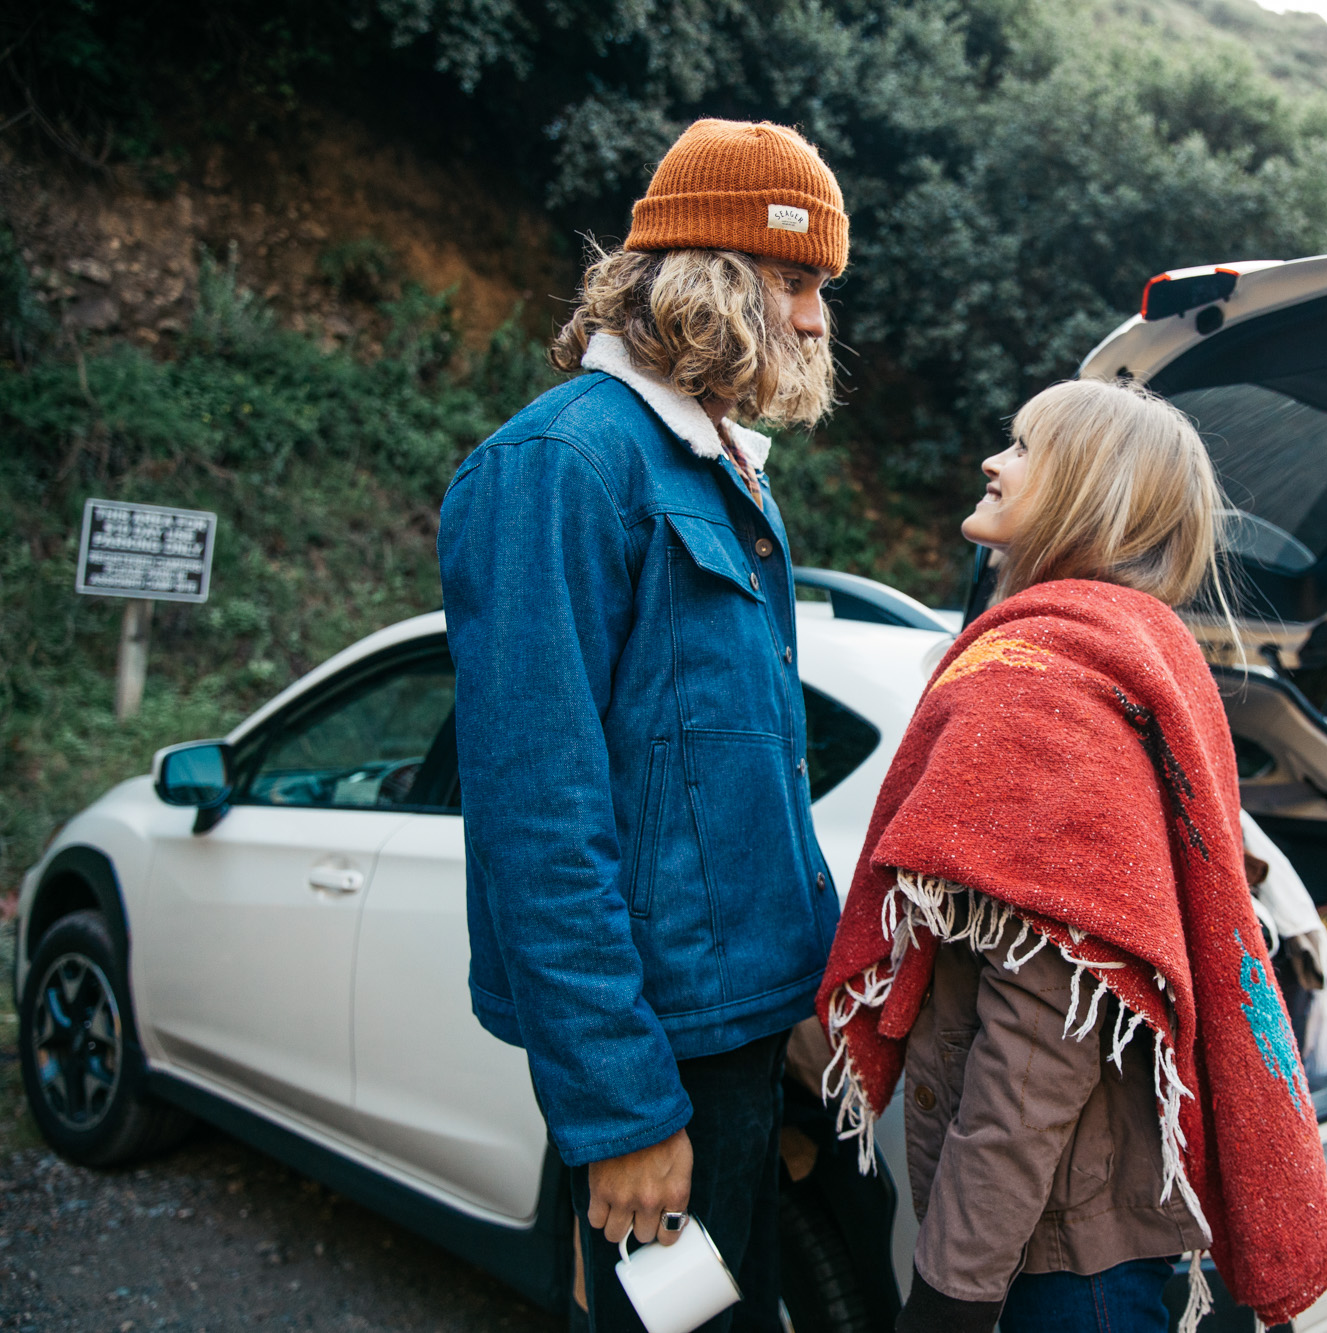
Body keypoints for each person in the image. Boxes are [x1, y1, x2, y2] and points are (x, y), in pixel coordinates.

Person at [815, 379, 1327, 1333]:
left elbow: (1037, 1039)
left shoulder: (1041, 686)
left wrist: (948, 1296)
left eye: (1022, 447)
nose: (993, 460)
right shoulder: (1136, 650)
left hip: (1056, 1259)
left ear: (1087, 491)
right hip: (1106, 1229)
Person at [438, 119, 848, 1332]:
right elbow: (538, 820)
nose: (820, 320)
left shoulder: (717, 469)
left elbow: (741, 782)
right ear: (711, 280)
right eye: (796, 282)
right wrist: (619, 1110)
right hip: (653, 1059)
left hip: (739, 1039)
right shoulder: (561, 466)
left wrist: (808, 1003)